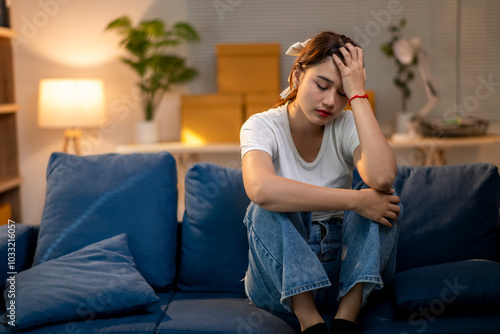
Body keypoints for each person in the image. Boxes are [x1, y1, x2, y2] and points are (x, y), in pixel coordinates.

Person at [239, 31, 402, 334]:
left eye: (342, 93)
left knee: (384, 196)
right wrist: (355, 201)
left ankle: (346, 318)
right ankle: (309, 321)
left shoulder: (346, 124)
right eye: (322, 85)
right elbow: (261, 188)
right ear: (298, 75)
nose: (330, 101)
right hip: (280, 284)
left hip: (346, 276)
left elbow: (382, 177)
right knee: (262, 208)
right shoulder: (261, 126)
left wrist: (359, 95)